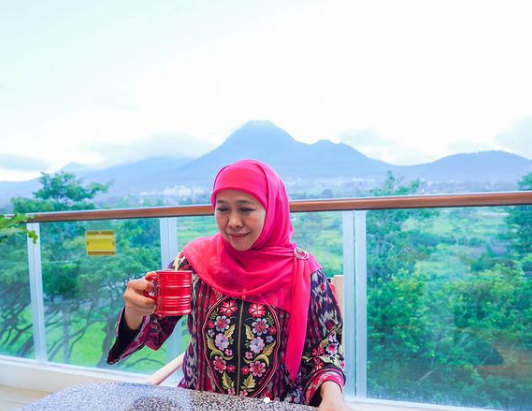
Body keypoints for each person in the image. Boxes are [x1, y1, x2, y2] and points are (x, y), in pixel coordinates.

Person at [107, 159, 349, 410]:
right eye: (223, 209)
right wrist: (136, 311)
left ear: (273, 209)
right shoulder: (193, 263)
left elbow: (325, 349)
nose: (233, 221)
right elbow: (154, 327)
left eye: (245, 209)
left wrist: (333, 396)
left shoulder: (303, 272)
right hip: (199, 404)